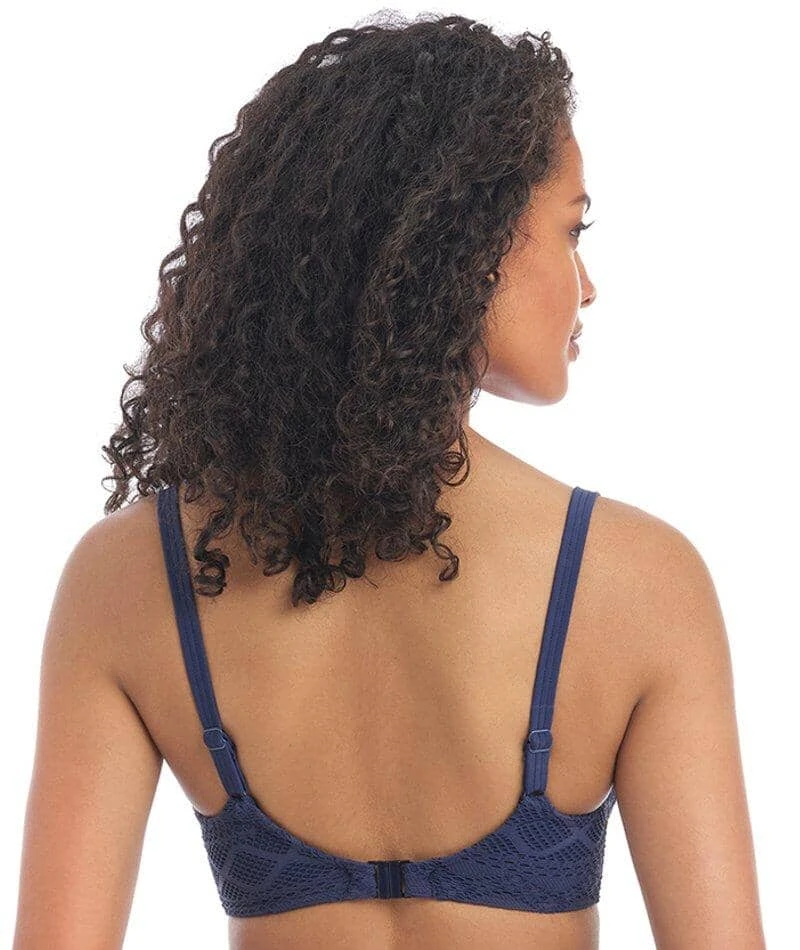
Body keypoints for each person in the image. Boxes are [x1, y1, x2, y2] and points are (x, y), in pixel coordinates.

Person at [12, 12, 766, 950]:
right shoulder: (639, 581)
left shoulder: (126, 578)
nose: (588, 285)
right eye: (572, 231)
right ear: (468, 244)